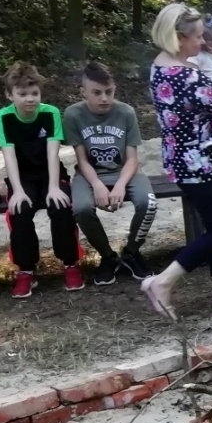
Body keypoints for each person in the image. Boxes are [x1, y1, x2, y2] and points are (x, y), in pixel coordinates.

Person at [139, 3, 212, 320]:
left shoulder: (161, 66)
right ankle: (162, 283)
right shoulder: (185, 75)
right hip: (199, 161)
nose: (202, 43)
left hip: (186, 158)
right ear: (179, 37)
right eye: (197, 38)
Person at [64, 62, 157, 284]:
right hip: (89, 174)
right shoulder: (73, 114)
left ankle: (132, 252)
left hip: (125, 171)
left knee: (149, 202)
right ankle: (108, 256)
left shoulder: (126, 112)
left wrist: (120, 186)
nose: (104, 98)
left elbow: (133, 159)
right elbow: (81, 160)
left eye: (109, 92)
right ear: (84, 92)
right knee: (81, 208)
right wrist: (97, 185)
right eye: (97, 93)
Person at [0, 63, 82, 297]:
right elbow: (9, 156)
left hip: (50, 172)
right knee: (19, 209)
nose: (29, 99)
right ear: (9, 95)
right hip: (21, 176)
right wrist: (18, 190)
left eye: (34, 94)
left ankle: (71, 264)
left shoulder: (50, 113)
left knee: (61, 205)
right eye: (22, 94)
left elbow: (54, 153)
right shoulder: (3, 117)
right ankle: (26, 270)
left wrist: (54, 187)